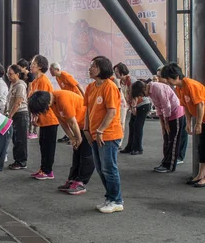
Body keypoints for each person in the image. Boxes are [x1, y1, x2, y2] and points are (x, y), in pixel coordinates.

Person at [28, 90, 94, 195]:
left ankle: (81, 182)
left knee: (86, 153)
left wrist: (78, 138)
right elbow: (62, 121)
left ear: (45, 104)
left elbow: (72, 122)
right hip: (80, 125)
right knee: (76, 153)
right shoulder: (53, 102)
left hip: (89, 124)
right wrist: (72, 137)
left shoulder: (62, 99)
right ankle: (72, 179)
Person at [85, 56, 124, 213]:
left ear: (102, 69)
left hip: (109, 134)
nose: (90, 68)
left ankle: (117, 200)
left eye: (94, 66)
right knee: (101, 169)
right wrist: (86, 130)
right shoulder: (90, 87)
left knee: (109, 168)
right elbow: (88, 110)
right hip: (95, 133)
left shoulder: (110, 86)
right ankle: (110, 197)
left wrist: (100, 130)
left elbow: (112, 111)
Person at [160, 64, 205, 186]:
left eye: (168, 78)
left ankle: (203, 177)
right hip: (201, 119)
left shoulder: (191, 85)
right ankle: (200, 175)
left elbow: (200, 105)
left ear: (176, 76)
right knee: (202, 148)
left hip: (203, 119)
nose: (167, 81)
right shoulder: (180, 88)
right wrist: (189, 123)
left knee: (204, 147)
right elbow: (186, 106)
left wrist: (199, 124)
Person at [131, 80, 186, 173]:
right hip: (168, 114)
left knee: (173, 140)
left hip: (175, 112)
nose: (143, 96)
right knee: (166, 138)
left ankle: (170, 166)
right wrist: (163, 124)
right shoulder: (151, 92)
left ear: (143, 88)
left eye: (141, 94)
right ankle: (165, 162)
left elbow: (166, 106)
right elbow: (158, 108)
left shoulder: (157, 88)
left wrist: (167, 123)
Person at [28, 55, 60, 180]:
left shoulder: (43, 81)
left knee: (48, 146)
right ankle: (43, 169)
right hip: (43, 119)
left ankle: (48, 171)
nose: (31, 65)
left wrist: (35, 117)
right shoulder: (36, 81)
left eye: (33, 63)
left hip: (50, 119)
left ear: (40, 66)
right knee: (43, 144)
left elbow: (43, 103)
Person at [115, 63, 151, 155]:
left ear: (122, 72)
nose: (115, 74)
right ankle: (130, 147)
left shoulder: (131, 80)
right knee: (132, 125)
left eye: (117, 72)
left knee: (138, 126)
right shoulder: (121, 82)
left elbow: (135, 94)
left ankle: (138, 148)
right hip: (134, 106)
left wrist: (133, 107)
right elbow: (126, 95)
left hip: (142, 105)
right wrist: (130, 107)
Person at [49, 63, 84, 143]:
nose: (50, 72)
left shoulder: (65, 76)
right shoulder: (57, 78)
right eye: (50, 70)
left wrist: (84, 98)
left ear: (57, 70)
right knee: (65, 119)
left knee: (73, 119)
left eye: (51, 70)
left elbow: (78, 85)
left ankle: (78, 137)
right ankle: (71, 136)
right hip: (67, 100)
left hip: (74, 99)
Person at [6, 64, 29, 170]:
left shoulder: (20, 85)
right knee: (15, 138)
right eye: (8, 74)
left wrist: (10, 116)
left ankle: (21, 161)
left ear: (17, 74)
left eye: (11, 74)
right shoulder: (13, 84)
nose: (8, 76)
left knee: (20, 139)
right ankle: (17, 160)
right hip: (14, 114)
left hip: (20, 114)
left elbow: (18, 102)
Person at [18, 59, 37, 139]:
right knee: (28, 114)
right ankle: (29, 131)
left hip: (31, 96)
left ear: (25, 67)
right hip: (25, 96)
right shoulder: (21, 75)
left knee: (32, 114)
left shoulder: (31, 75)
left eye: (19, 67)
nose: (18, 69)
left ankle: (33, 132)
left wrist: (27, 98)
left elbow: (30, 88)